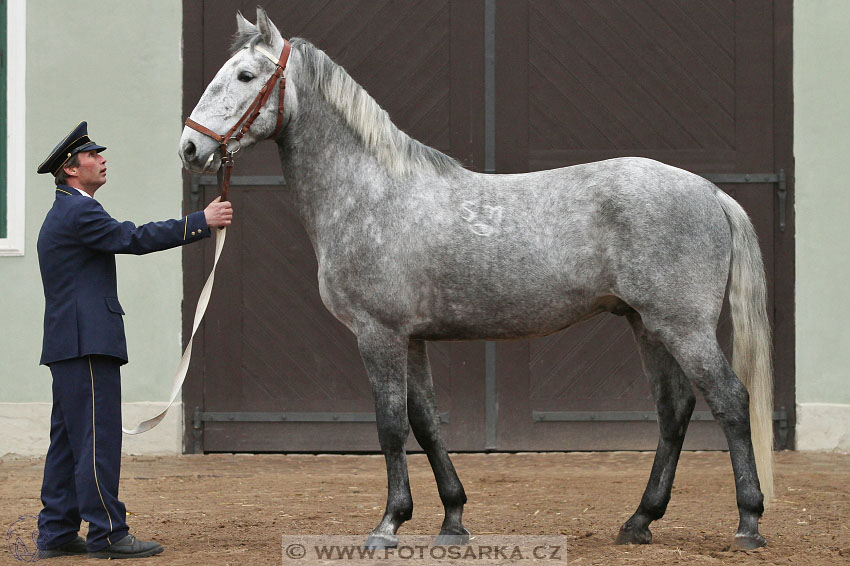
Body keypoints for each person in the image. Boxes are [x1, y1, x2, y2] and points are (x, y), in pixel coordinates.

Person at [34, 122, 232, 559]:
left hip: (71, 344)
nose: (103, 159)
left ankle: (56, 532)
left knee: (69, 441)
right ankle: (107, 534)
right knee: (97, 440)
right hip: (87, 344)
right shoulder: (80, 210)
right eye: (93, 155)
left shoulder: (67, 210)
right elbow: (133, 238)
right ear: (71, 169)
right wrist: (201, 221)